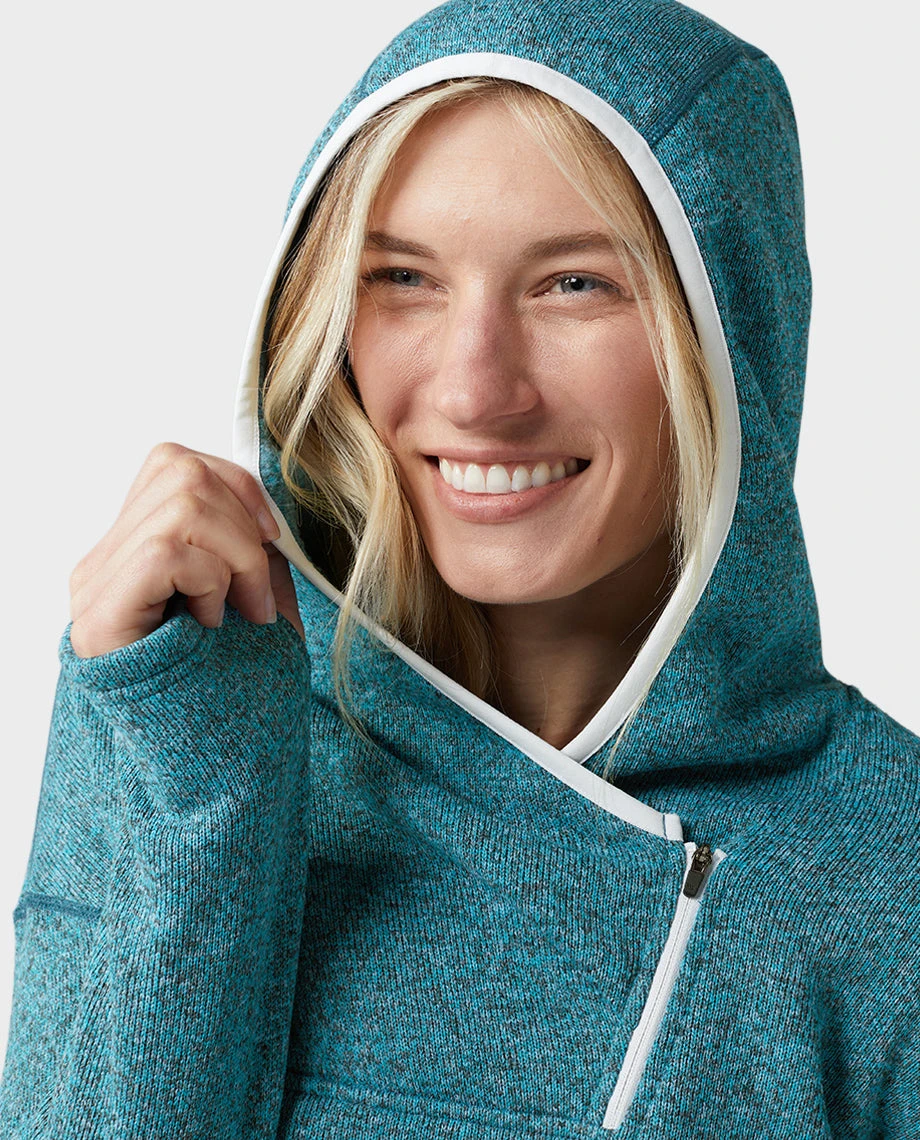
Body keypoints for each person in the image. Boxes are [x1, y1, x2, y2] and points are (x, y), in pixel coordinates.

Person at [1, 0, 917, 1136]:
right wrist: (191, 790)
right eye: (403, 279)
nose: (476, 390)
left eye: (573, 283)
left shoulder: (889, 872)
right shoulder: (183, 714)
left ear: (735, 331)